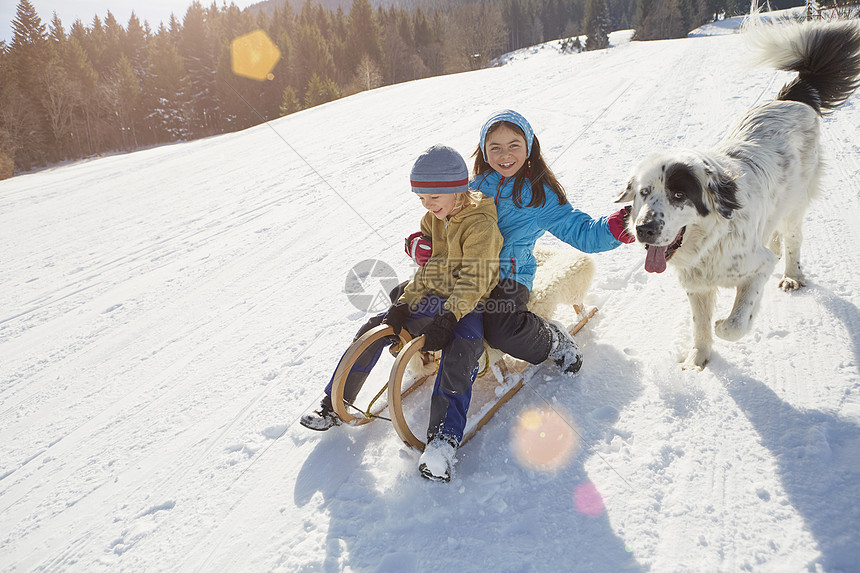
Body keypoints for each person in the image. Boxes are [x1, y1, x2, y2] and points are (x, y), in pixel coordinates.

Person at [301, 144, 503, 483]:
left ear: (456, 189)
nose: (426, 206)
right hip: (436, 298)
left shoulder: (480, 224)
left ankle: (442, 440)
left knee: (462, 347)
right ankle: (334, 402)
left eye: (432, 197)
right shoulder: (435, 218)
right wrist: (403, 304)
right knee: (375, 326)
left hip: (471, 303)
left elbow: (475, 279)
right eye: (421, 198)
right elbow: (431, 268)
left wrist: (449, 318)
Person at [471, 109, 634, 374]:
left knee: (500, 329)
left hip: (511, 276)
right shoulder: (474, 187)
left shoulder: (539, 194)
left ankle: (552, 340)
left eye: (514, 145)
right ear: (483, 149)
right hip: (473, 272)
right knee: (418, 297)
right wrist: (424, 241)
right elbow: (446, 222)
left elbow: (581, 231)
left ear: (529, 146)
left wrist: (619, 226)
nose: (505, 155)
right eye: (495, 147)